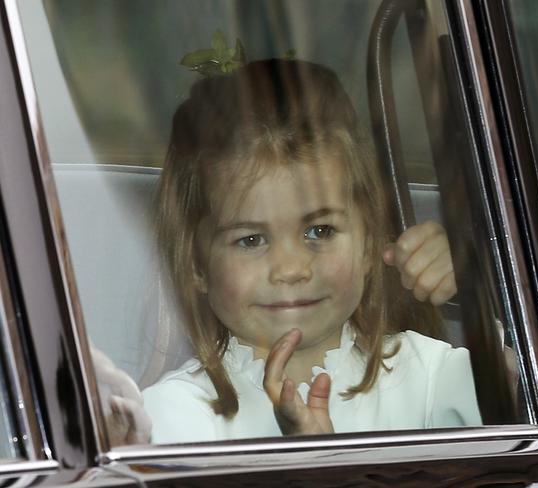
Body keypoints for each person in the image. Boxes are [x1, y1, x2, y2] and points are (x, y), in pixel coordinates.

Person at [140, 58, 481, 443]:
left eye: (320, 231)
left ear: (370, 243)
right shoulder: (177, 416)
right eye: (251, 240)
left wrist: (478, 286)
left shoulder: (429, 379)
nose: (291, 268)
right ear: (196, 265)